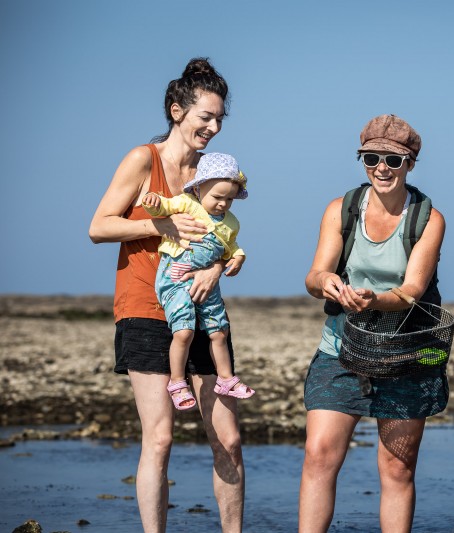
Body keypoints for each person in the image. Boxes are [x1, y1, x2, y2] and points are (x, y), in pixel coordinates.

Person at [89, 58, 245, 533]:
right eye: (205, 117)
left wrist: (219, 266)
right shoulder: (144, 159)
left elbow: (223, 238)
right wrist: (159, 224)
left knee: (230, 439)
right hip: (143, 307)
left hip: (200, 309)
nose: (214, 128)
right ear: (177, 111)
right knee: (159, 440)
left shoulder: (213, 173)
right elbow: (98, 227)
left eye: (220, 119)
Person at [299, 114, 447, 533]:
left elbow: (410, 291)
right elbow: (313, 276)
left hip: (406, 353)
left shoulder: (428, 219)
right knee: (319, 454)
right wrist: (327, 282)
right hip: (341, 349)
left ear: (410, 164)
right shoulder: (341, 209)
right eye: (370, 158)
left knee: (397, 468)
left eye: (392, 160)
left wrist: (371, 300)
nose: (381, 167)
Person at [142, 152, 255, 410]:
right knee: (184, 330)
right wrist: (152, 202)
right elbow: (163, 207)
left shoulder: (231, 223)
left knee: (219, 330)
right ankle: (177, 382)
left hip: (208, 283)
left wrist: (238, 257)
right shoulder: (187, 204)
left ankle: (226, 378)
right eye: (217, 197)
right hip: (176, 276)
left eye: (229, 199)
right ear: (199, 188)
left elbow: (231, 246)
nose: (223, 204)